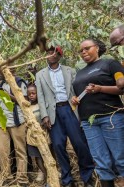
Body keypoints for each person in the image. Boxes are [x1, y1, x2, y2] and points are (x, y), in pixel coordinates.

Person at [35, 46, 94, 187]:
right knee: (59, 146)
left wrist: (78, 104)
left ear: (59, 56)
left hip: (69, 110)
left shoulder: (70, 71)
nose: (49, 55)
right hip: (53, 114)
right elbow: (41, 97)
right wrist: (44, 116)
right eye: (47, 53)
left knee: (79, 144)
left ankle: (87, 178)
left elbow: (76, 90)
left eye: (52, 53)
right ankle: (67, 180)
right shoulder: (40, 74)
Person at [72, 38, 124, 187]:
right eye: (81, 50)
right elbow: (81, 93)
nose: (83, 52)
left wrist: (100, 89)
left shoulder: (110, 63)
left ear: (97, 48)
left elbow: (122, 87)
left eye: (87, 48)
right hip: (89, 122)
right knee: (100, 161)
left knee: (120, 157)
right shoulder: (80, 72)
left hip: (111, 117)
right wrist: (75, 99)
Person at [0, 73, 29, 187]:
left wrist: (8, 95)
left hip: (17, 121)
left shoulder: (19, 82)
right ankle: (7, 177)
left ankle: (22, 178)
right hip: (1, 123)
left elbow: (24, 101)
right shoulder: (0, 85)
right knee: (3, 151)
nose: (0, 73)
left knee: (20, 150)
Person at [26, 84, 47, 184]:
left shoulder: (42, 105)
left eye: (34, 93)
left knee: (47, 154)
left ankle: (52, 172)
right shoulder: (27, 106)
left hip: (44, 134)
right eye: (29, 94)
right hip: (32, 136)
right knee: (37, 157)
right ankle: (45, 174)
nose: (31, 95)